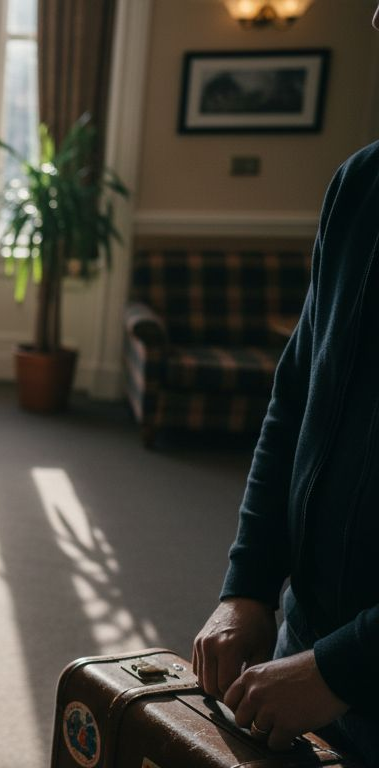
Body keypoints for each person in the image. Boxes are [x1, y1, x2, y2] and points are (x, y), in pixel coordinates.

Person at [192, 7, 379, 761]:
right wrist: (247, 586)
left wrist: (346, 667)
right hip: (301, 650)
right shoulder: (360, 185)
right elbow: (295, 403)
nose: (373, 17)